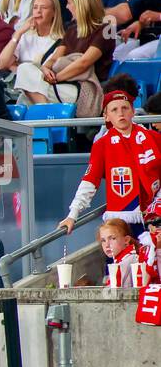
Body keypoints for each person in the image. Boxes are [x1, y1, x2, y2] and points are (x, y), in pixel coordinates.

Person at [57, 88, 161, 237]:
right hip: (121, 222)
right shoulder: (102, 145)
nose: (120, 113)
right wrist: (72, 215)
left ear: (132, 111)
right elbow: (90, 181)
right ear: (106, 116)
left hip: (156, 216)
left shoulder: (154, 138)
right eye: (114, 109)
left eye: (125, 108)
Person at [98, 217, 148, 282]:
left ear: (126, 240)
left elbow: (116, 290)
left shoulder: (128, 260)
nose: (107, 245)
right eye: (103, 240)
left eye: (113, 238)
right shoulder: (122, 259)